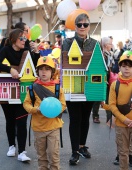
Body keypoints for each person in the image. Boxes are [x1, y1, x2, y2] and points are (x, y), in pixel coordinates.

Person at [62, 13, 97, 165]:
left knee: (85, 118)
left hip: (89, 86)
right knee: (75, 119)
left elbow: (97, 64)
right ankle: (74, 151)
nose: (82, 27)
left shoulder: (95, 43)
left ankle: (82, 146)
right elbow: (65, 62)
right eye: (79, 24)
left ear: (89, 26)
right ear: (75, 26)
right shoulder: (68, 42)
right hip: (73, 85)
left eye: (85, 24)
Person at [0, 29, 31, 162]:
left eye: (25, 38)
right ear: (14, 39)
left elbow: (34, 65)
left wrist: (36, 53)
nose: (24, 41)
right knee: (10, 120)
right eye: (22, 38)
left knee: (22, 122)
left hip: (23, 91)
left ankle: (22, 151)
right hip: (7, 90)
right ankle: (11, 146)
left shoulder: (27, 51)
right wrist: (10, 69)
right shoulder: (6, 50)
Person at [23, 56, 66, 170]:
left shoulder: (58, 88)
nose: (44, 72)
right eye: (41, 69)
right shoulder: (32, 88)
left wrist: (54, 110)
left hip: (53, 126)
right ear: (37, 71)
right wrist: (35, 109)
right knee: (41, 157)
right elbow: (26, 103)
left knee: (53, 155)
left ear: (52, 72)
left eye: (47, 69)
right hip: (38, 128)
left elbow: (63, 104)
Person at [109, 53, 132, 170]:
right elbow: (112, 106)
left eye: (129, 66)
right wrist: (124, 119)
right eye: (124, 65)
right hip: (121, 125)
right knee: (123, 152)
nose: (127, 68)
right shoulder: (114, 85)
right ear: (119, 68)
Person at [101, 37, 115, 123]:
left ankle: (109, 117)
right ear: (106, 45)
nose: (111, 45)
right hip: (103, 78)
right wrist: (103, 79)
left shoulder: (110, 54)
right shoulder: (102, 55)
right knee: (102, 97)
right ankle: (96, 115)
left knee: (109, 97)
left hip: (109, 77)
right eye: (110, 44)